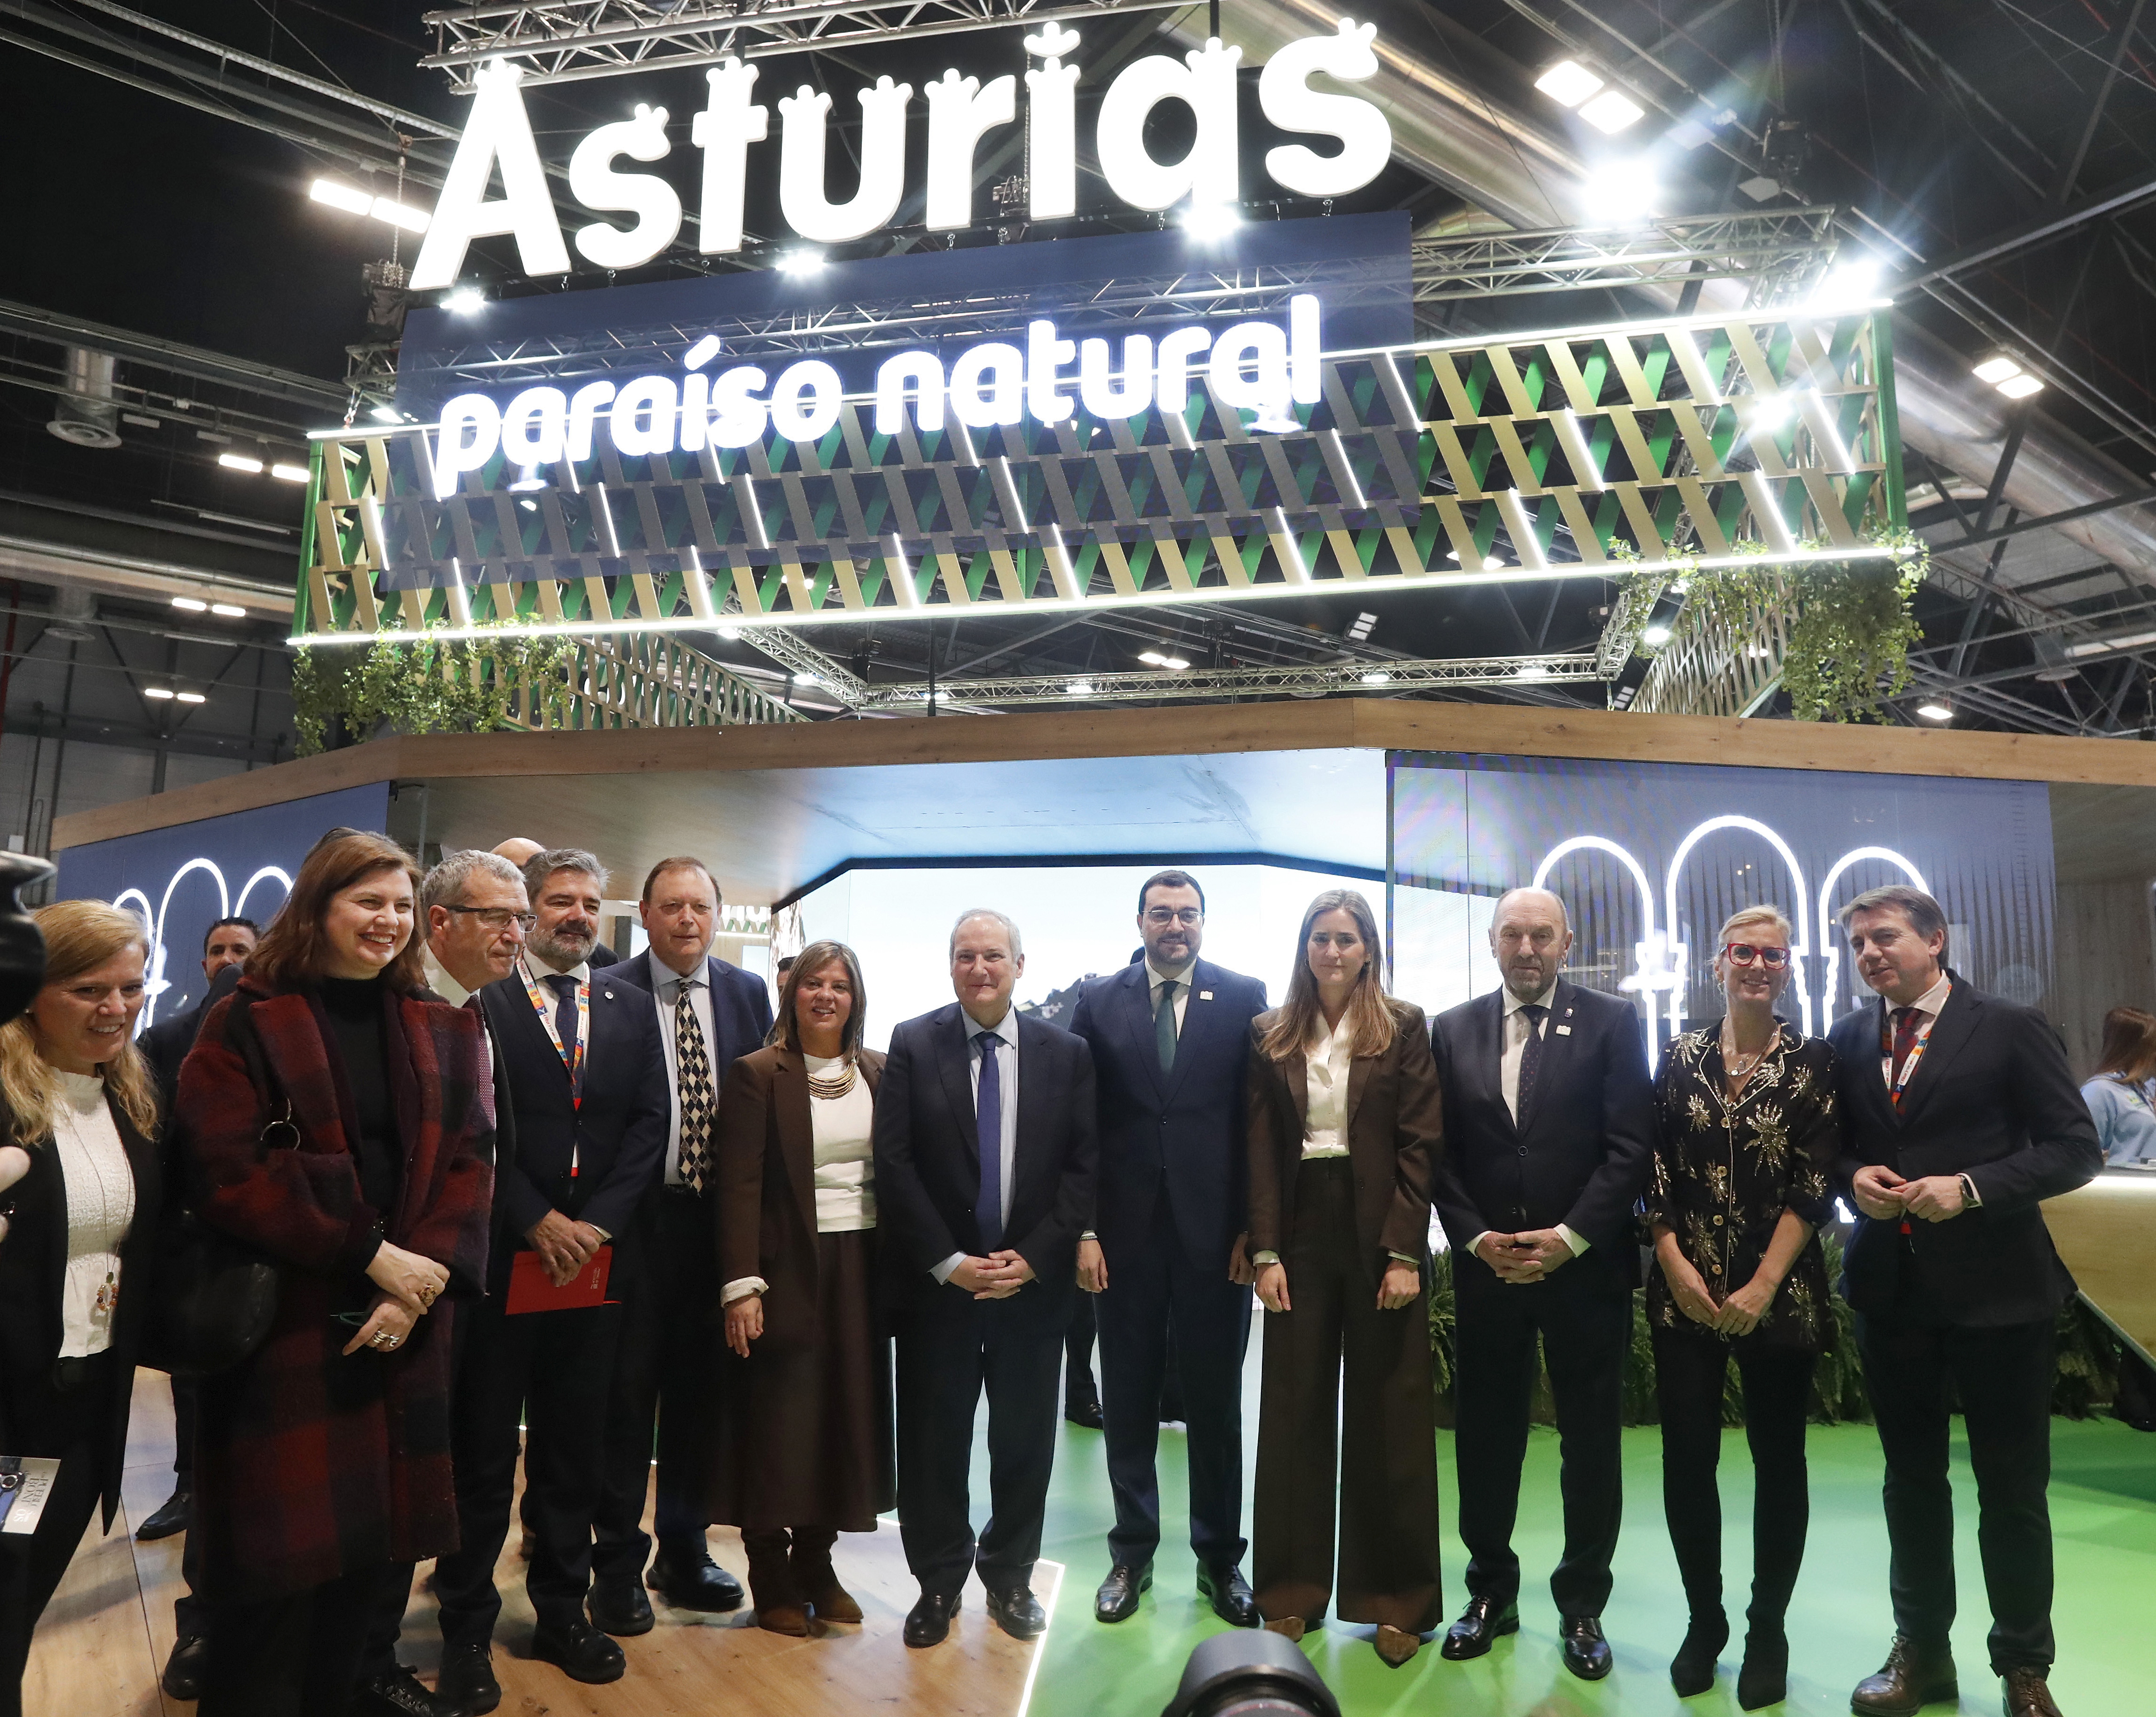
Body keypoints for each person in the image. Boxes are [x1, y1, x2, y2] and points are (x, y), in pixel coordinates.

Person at [177, 831, 495, 1717]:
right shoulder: (246, 1017)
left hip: (403, 1327)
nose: (388, 920)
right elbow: (226, 1170)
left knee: (366, 1572)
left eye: (400, 905)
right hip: (286, 1329)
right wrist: (368, 1253)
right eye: (368, 901)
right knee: (271, 1586)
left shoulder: (441, 1021)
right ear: (317, 906)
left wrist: (416, 1282)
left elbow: (471, 1160)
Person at [1829, 885, 2103, 1717]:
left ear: (1935, 939)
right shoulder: (1849, 1037)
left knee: (2011, 1489)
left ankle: (2023, 1668)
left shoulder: (2010, 1026)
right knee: (1910, 1483)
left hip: (2001, 1296)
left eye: (1883, 937)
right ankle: (1921, 1654)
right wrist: (1853, 1178)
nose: (1869, 954)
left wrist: (1972, 1187)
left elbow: (2074, 1148)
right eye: (1857, 943)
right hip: (1892, 1295)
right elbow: (1836, 1147)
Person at [430, 848, 665, 1709]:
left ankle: (562, 1611)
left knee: (575, 1450)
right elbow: (474, 1125)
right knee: (483, 1453)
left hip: (594, 1269)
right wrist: (535, 1218)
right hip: (502, 1260)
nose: (577, 915)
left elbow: (649, 1125)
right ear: (528, 913)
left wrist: (595, 1225)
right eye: (560, 900)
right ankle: (465, 1627)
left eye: (591, 902)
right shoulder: (483, 999)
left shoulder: (629, 1006)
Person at [1428, 885, 1653, 1680]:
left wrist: (1569, 1237)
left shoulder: (1612, 1022)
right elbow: (1437, 1153)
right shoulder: (1451, 1029)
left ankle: (1582, 1602)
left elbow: (1629, 1147)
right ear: (1492, 942)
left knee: (1589, 1441)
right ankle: (1490, 1589)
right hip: (1488, 1269)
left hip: (1583, 1270)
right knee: (1486, 1436)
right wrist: (1475, 1237)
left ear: (1566, 943)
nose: (1526, 949)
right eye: (1512, 935)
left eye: (1541, 935)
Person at [871, 909, 1097, 1648]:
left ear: (1019, 966)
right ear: (950, 966)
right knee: (933, 1443)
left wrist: (1034, 1256)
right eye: (966, 956)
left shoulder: (1066, 1053)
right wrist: (948, 1263)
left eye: (994, 956)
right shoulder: (914, 1043)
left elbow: (1083, 1167)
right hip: (940, 1290)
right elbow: (894, 1163)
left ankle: (1010, 1578)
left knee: (1024, 1442)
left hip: (1030, 1289)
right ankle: (937, 1584)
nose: (980, 968)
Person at [1646, 907, 1842, 1709]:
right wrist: (1673, 1265)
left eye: (1772, 955)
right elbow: (1654, 1170)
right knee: (1687, 1460)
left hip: (1779, 1295)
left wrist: (1760, 1284)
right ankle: (1705, 1621)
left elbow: (1813, 1182)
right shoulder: (1679, 1054)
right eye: (1742, 952)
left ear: (1788, 968)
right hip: (1684, 1294)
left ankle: (1768, 1629)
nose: (1757, 965)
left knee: (1778, 1461)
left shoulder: (1814, 1061)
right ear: (1716, 964)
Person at [1244, 888, 1442, 1667]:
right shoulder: (1270, 1031)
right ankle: (1288, 1594)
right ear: (1304, 948)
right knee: (1291, 1412)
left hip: (1378, 1229)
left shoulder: (1402, 1025)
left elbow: (1420, 1142)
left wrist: (1404, 1253)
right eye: (1320, 938)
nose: (1332, 951)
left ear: (1368, 950)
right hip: (1298, 1228)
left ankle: (1395, 1601)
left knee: (1389, 1414)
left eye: (1346, 939)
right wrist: (1265, 1252)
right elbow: (1260, 1145)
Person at [1070, 868, 1267, 1629]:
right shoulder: (1099, 999)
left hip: (1217, 1239)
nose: (1174, 926)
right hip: (1123, 1238)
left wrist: (1254, 1228)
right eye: (1161, 913)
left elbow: (1256, 1120)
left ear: (1203, 922)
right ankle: (1132, 1552)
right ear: (1141, 922)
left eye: (1186, 914)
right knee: (1126, 1396)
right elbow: (1080, 1121)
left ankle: (1220, 1559)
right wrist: (1086, 1228)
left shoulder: (1243, 996)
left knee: (1215, 1402)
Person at [591, 858, 770, 1624]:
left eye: (699, 906)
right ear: (644, 913)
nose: (687, 920)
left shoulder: (747, 992)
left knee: (701, 1399)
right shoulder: (608, 991)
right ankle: (616, 1565)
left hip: (715, 1228)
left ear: (718, 914)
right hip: (634, 1227)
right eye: (671, 906)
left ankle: (684, 1551)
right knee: (626, 1400)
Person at [0, 901, 163, 1717]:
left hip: (87, 1401)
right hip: (11, 1409)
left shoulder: (130, 1097)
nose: (116, 1008)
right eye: (90, 989)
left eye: (132, 987)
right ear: (30, 992)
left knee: (24, 1593)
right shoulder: (5, 1101)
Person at [708, 940, 891, 1634]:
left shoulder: (878, 1072)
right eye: (813, 983)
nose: (826, 996)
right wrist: (741, 1286)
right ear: (792, 993)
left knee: (844, 1416)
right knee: (777, 1420)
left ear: (855, 998)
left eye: (839, 985)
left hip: (860, 1268)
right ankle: (770, 1569)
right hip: (781, 1271)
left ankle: (817, 1562)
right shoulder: (758, 1073)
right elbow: (738, 1185)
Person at [137, 918, 258, 1700]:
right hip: (197, 1260)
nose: (230, 962)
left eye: (242, 950)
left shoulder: (291, 1028)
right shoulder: (165, 1038)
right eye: (219, 951)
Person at [492, 840, 615, 967]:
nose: (580, 916)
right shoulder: (487, 972)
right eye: (562, 903)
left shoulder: (606, 964)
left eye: (591, 907)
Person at [2080, 1005, 2156, 1166]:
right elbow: (2083, 1155)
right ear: (2136, 1047)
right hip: (2125, 1179)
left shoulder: (2140, 1089)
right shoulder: (2099, 1091)